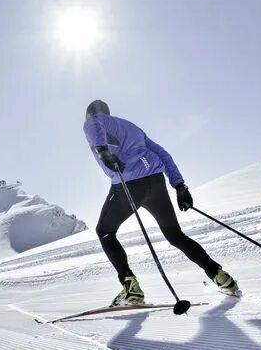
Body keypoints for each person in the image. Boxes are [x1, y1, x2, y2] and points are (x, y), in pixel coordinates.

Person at [83, 99, 238, 306]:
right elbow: (162, 153)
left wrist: (102, 150)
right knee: (175, 235)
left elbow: (95, 126)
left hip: (128, 183)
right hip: (156, 182)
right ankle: (220, 276)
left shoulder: (94, 121)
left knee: (105, 231)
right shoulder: (133, 128)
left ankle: (131, 289)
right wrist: (180, 185)